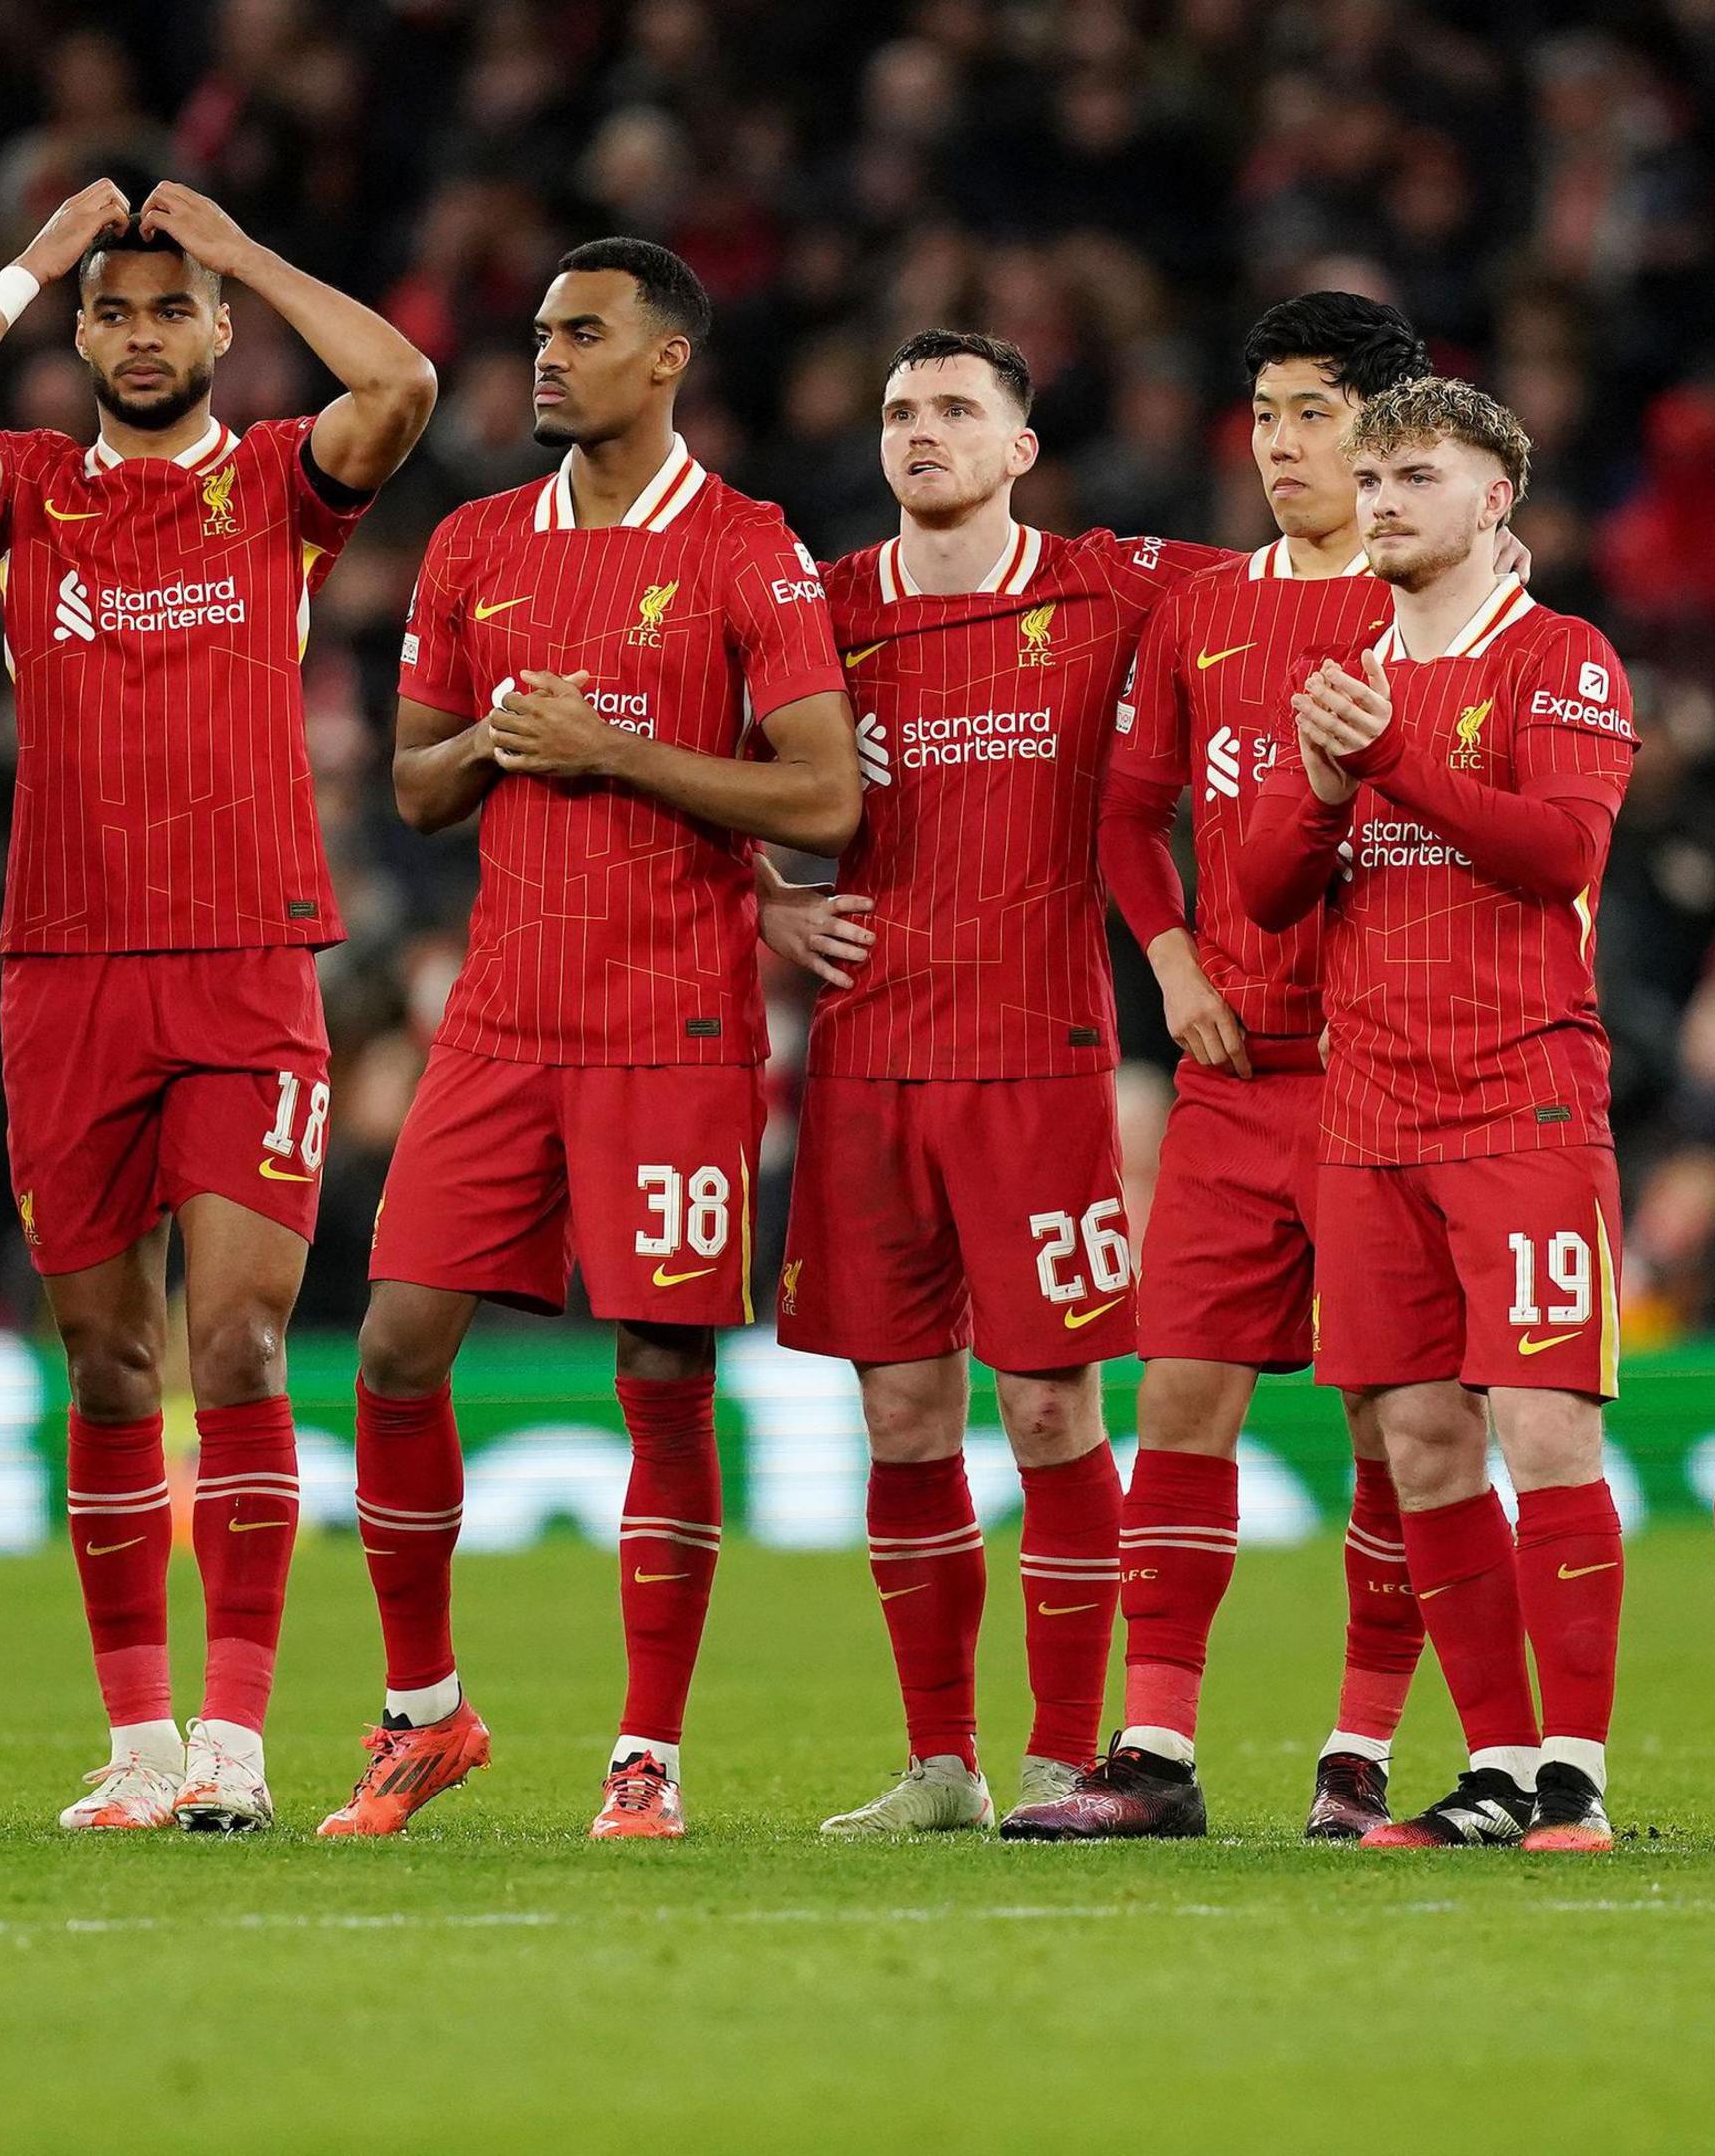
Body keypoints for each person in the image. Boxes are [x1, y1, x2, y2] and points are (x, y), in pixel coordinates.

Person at [0, 178, 437, 1831]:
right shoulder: (30, 494)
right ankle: (132, 1741)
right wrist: (26, 259)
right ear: (77, 333)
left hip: (248, 961)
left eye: (166, 309)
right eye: (107, 312)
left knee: (240, 1335)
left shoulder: (274, 487)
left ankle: (233, 1742)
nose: (134, 335)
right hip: (64, 968)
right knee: (108, 1358)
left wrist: (249, 242)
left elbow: (400, 387)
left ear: (215, 331)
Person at [342, 239, 858, 1839]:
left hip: (674, 1022)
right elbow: (416, 789)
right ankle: (423, 1711)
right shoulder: (474, 547)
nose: (547, 357)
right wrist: (506, 738)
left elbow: (825, 798)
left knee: (660, 1370)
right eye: (543, 330)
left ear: (668, 361)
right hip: (502, 1018)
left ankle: (649, 1752)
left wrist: (614, 747)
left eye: (585, 331)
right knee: (391, 1349)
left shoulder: (750, 551)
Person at [756, 331, 1225, 1837]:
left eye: (958, 409)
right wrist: (765, 898)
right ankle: (942, 1762)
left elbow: (1309, 578)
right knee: (900, 1414)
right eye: (900, 410)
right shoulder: (820, 610)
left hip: (1039, 1056)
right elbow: (677, 766)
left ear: (1022, 448)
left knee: (1046, 1411)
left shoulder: (1111, 582)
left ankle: (1064, 1752)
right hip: (869, 1062)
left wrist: (1473, 547)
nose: (922, 431)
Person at [1022, 292, 1457, 1842]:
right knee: (1183, 1397)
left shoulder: (1437, 613)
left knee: (1390, 1426)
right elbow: (1128, 814)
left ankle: (1359, 1752)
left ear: (1391, 428)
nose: (1281, 445)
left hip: (1380, 1085)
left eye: (1315, 415)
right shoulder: (1201, 609)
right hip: (1227, 1072)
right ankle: (1153, 1750)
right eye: (1266, 414)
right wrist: (1175, 966)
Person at [1231, 376, 1634, 1852]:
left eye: (1420, 473)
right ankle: (1496, 1765)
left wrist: (1389, 755)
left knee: (1543, 1431)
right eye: (1376, 473)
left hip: (1520, 1095)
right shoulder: (1342, 671)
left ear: (1496, 499)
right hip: (1371, 1110)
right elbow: (1267, 893)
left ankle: (1577, 1775)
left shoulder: (1562, 658)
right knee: (1420, 1442)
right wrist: (1328, 779)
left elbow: (1556, 849)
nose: (1386, 496)